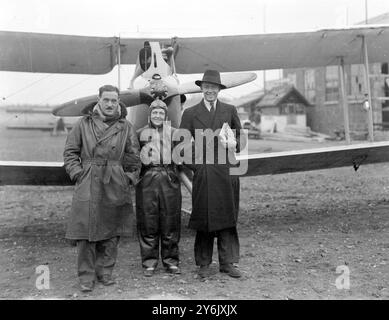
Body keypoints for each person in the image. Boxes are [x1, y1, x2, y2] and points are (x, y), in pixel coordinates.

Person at [63, 85, 141, 292]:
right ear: (98, 100)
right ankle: (86, 276)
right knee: (85, 230)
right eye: (106, 100)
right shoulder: (83, 124)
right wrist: (79, 174)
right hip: (89, 179)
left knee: (112, 229)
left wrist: (128, 178)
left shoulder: (126, 126)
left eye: (114, 100)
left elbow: (134, 157)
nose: (110, 104)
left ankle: (105, 272)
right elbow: (70, 153)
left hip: (115, 180)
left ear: (118, 103)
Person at [179, 69, 246, 279]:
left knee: (227, 217)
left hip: (227, 173)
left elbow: (242, 141)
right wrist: (197, 166)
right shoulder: (190, 113)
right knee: (204, 219)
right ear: (201, 89)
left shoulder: (229, 110)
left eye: (214, 87)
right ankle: (204, 265)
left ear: (219, 89)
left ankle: (228, 263)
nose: (210, 91)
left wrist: (234, 143)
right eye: (206, 87)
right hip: (204, 175)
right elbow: (180, 146)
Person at [136, 99, 182, 277]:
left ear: (165, 116)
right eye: (154, 112)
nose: (157, 115)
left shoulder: (175, 133)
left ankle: (171, 261)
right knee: (148, 220)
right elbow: (132, 158)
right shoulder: (139, 133)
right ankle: (149, 262)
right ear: (149, 115)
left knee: (170, 220)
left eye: (161, 113)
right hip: (147, 178)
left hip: (169, 177)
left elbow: (184, 157)